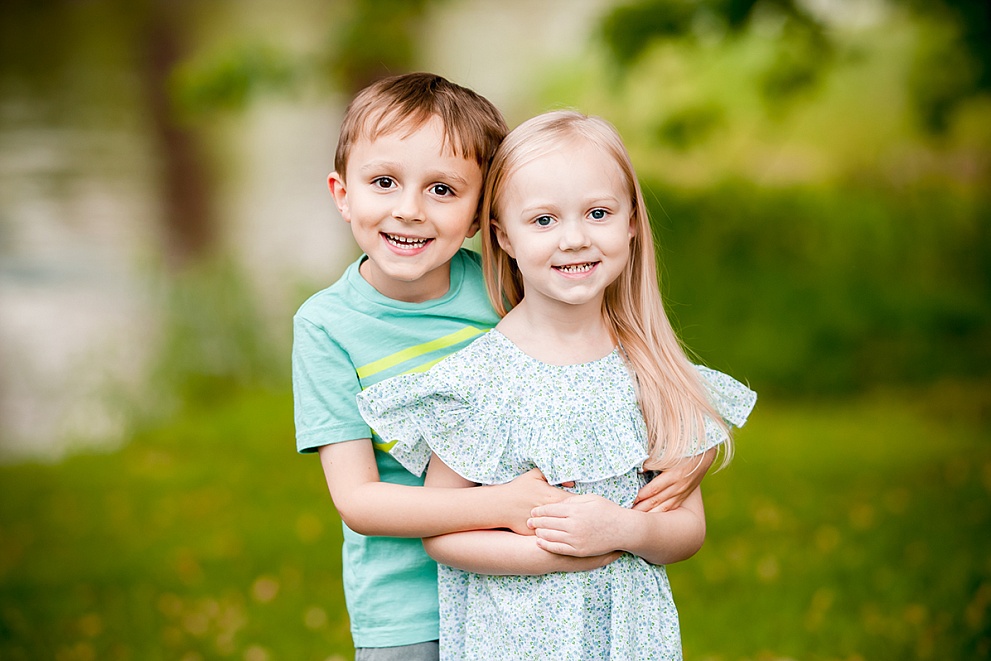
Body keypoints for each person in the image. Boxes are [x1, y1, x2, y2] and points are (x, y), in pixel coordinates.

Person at [293, 73, 716, 659]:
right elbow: (359, 501)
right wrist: (509, 507)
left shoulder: (502, 288)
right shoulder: (326, 327)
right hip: (407, 605)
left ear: (477, 215)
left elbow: (599, 360)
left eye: (442, 190)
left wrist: (687, 447)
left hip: (533, 605)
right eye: (385, 182)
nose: (410, 210)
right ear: (343, 193)